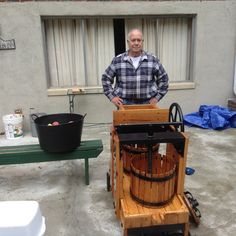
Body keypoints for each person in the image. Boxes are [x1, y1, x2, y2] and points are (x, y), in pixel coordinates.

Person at [102, 28, 169, 107]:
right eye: (133, 40)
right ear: (128, 42)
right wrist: (112, 97)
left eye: (139, 40)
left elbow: (164, 79)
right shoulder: (118, 60)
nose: (136, 43)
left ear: (142, 42)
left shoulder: (152, 60)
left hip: (147, 103)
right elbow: (106, 78)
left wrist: (157, 98)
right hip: (124, 103)